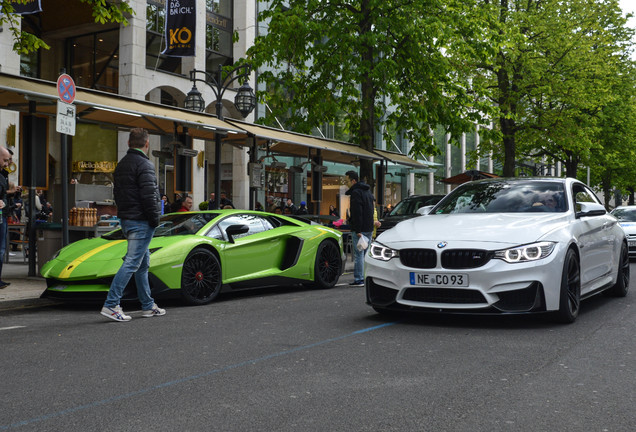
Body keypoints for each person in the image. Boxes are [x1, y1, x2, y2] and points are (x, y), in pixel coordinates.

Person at [100, 128, 165, 322]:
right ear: (147, 144)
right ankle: (111, 304)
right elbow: (149, 196)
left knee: (142, 264)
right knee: (132, 262)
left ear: (128, 143)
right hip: (141, 220)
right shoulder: (145, 165)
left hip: (127, 219)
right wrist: (155, 219)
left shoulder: (121, 165)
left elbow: (118, 195)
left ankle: (147, 305)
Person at [345, 170, 374, 287]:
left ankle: (359, 278)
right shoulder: (367, 191)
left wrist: (357, 230)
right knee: (366, 254)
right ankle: (366, 276)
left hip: (360, 229)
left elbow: (357, 213)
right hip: (369, 226)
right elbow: (371, 210)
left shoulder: (356, 193)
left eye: (347, 181)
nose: (345, 183)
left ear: (353, 181)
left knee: (358, 254)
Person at [0, 146, 14, 289]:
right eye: (6, 160)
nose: (7, 163)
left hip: (2, 214)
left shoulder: (3, 174)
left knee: (1, 249)